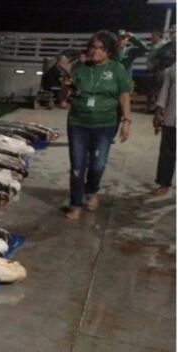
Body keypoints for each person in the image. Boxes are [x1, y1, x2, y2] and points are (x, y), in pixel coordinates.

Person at [60, 30, 132, 220]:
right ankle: (76, 203)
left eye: (100, 48)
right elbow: (64, 100)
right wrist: (65, 85)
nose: (95, 51)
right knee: (77, 166)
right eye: (93, 47)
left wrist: (126, 120)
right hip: (78, 123)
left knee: (98, 165)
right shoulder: (79, 69)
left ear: (109, 51)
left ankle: (91, 191)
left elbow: (124, 94)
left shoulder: (117, 69)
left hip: (105, 124)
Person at [150, 63, 176, 197]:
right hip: (171, 118)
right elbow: (165, 90)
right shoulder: (175, 67)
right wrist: (158, 112)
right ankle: (163, 184)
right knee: (167, 154)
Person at [145, 31, 166, 112]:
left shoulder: (162, 45)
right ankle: (150, 107)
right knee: (150, 90)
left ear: (158, 36)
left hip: (157, 71)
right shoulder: (153, 45)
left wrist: (155, 67)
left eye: (153, 36)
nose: (151, 38)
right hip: (151, 70)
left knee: (158, 90)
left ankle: (157, 109)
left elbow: (160, 59)